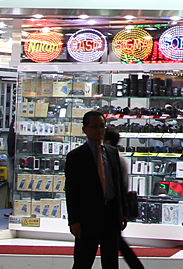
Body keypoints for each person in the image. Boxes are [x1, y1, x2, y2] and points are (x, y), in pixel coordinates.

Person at [66, 111, 128, 269]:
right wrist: (74, 220)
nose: (99, 130)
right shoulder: (76, 157)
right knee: (83, 261)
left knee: (111, 261)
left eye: (102, 126)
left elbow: (119, 186)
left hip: (111, 215)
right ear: (85, 129)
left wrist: (123, 212)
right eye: (94, 127)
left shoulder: (112, 152)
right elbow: (72, 191)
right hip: (88, 218)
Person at [104, 128, 144, 269]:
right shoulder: (120, 159)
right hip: (116, 209)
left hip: (112, 209)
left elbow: (120, 187)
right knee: (116, 244)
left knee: (115, 245)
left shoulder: (114, 159)